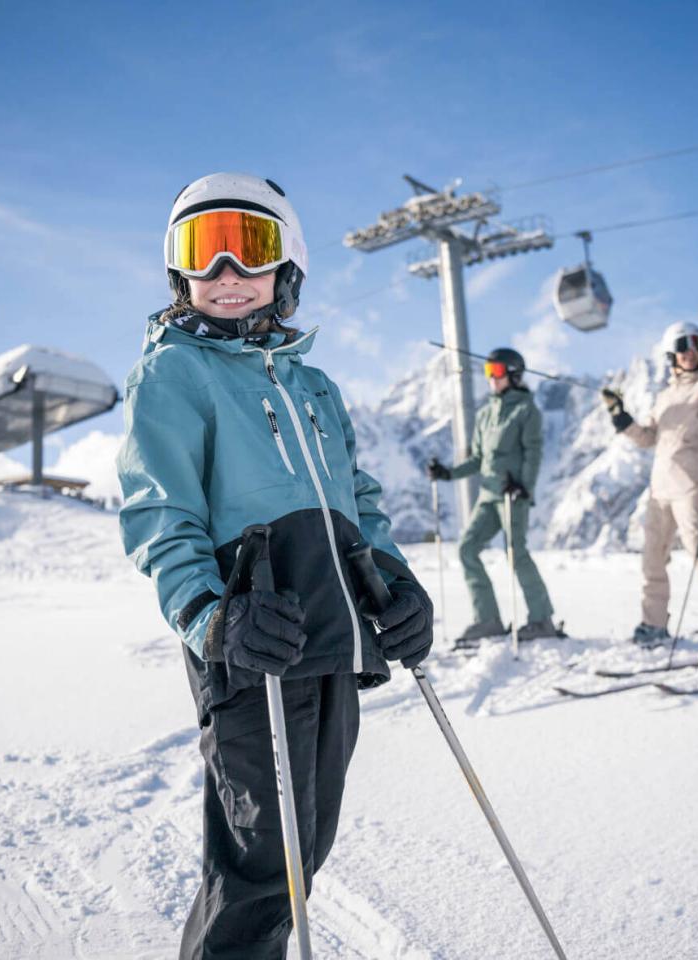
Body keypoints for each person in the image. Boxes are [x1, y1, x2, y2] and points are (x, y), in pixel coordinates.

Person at [116, 172, 433, 960]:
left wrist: (393, 580)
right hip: (249, 640)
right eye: (203, 251)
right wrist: (211, 617)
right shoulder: (172, 374)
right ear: (178, 270)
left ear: (285, 264)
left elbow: (357, 501)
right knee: (262, 862)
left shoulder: (313, 384)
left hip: (331, 630)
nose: (225, 273)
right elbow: (161, 515)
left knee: (307, 846)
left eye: (247, 248)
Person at [600, 322, 698, 648]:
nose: (689, 351)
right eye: (682, 345)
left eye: (695, 344)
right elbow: (648, 437)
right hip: (660, 488)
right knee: (652, 560)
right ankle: (653, 624)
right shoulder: (666, 396)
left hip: (693, 485)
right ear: (670, 353)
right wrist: (621, 418)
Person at [425, 347, 560, 646]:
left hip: (512, 495)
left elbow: (534, 453)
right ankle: (488, 619)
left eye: (496, 371)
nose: (491, 378)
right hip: (488, 495)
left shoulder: (526, 410)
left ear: (513, 374)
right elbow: (477, 460)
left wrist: (524, 486)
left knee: (516, 552)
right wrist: (448, 473)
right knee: (467, 548)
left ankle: (542, 619)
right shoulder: (486, 413)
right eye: (487, 372)